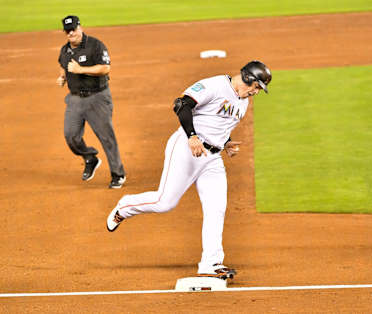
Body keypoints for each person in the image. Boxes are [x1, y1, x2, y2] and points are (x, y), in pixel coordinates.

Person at [106, 61, 272, 279]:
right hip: (186, 148)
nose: (256, 92)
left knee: (216, 208)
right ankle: (125, 207)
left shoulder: (244, 101)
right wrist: (192, 136)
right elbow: (181, 105)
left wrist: (226, 143)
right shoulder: (213, 85)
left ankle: (210, 264)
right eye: (256, 86)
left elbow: (219, 124)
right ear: (248, 78)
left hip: (212, 159)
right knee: (164, 202)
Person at [56, 15, 126, 188]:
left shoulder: (95, 45)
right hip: (75, 99)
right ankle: (90, 157)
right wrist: (62, 77)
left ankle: (118, 174)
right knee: (71, 136)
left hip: (97, 98)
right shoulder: (65, 50)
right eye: (68, 30)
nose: (71, 33)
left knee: (106, 137)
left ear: (80, 27)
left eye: (73, 28)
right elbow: (62, 65)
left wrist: (80, 70)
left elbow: (105, 68)